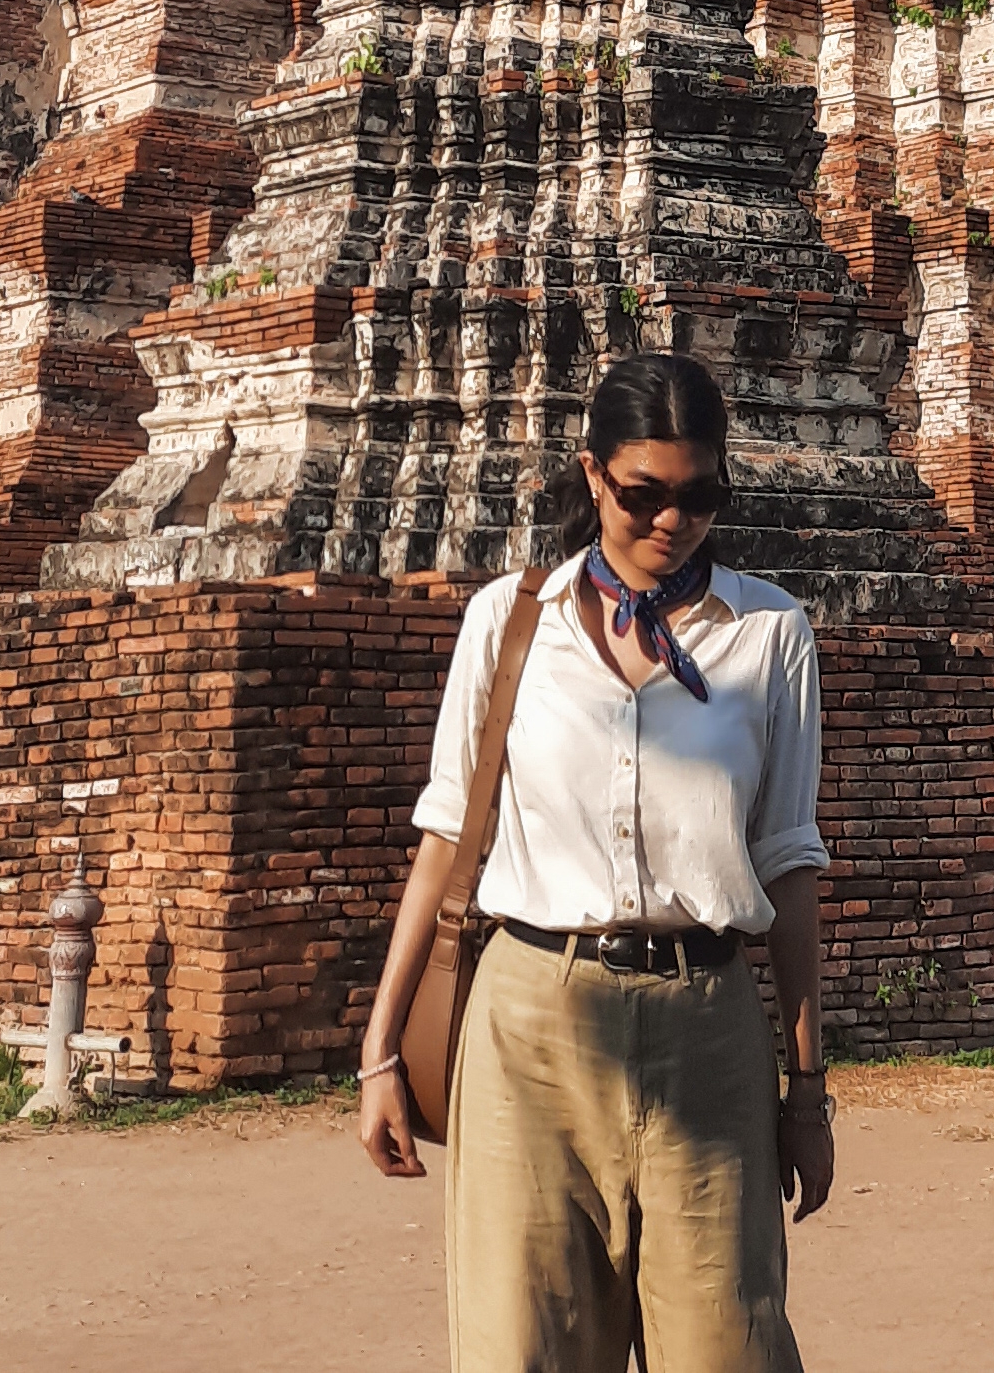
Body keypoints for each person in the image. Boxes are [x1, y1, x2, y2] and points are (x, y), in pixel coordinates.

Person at [357, 351, 835, 1373]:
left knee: (729, 1346)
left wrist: (807, 1092)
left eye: (698, 495)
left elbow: (788, 868)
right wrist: (380, 1048)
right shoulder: (509, 620)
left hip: (705, 1024)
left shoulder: (767, 634)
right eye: (643, 495)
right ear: (591, 477)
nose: (672, 521)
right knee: (518, 1349)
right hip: (529, 1022)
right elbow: (444, 838)